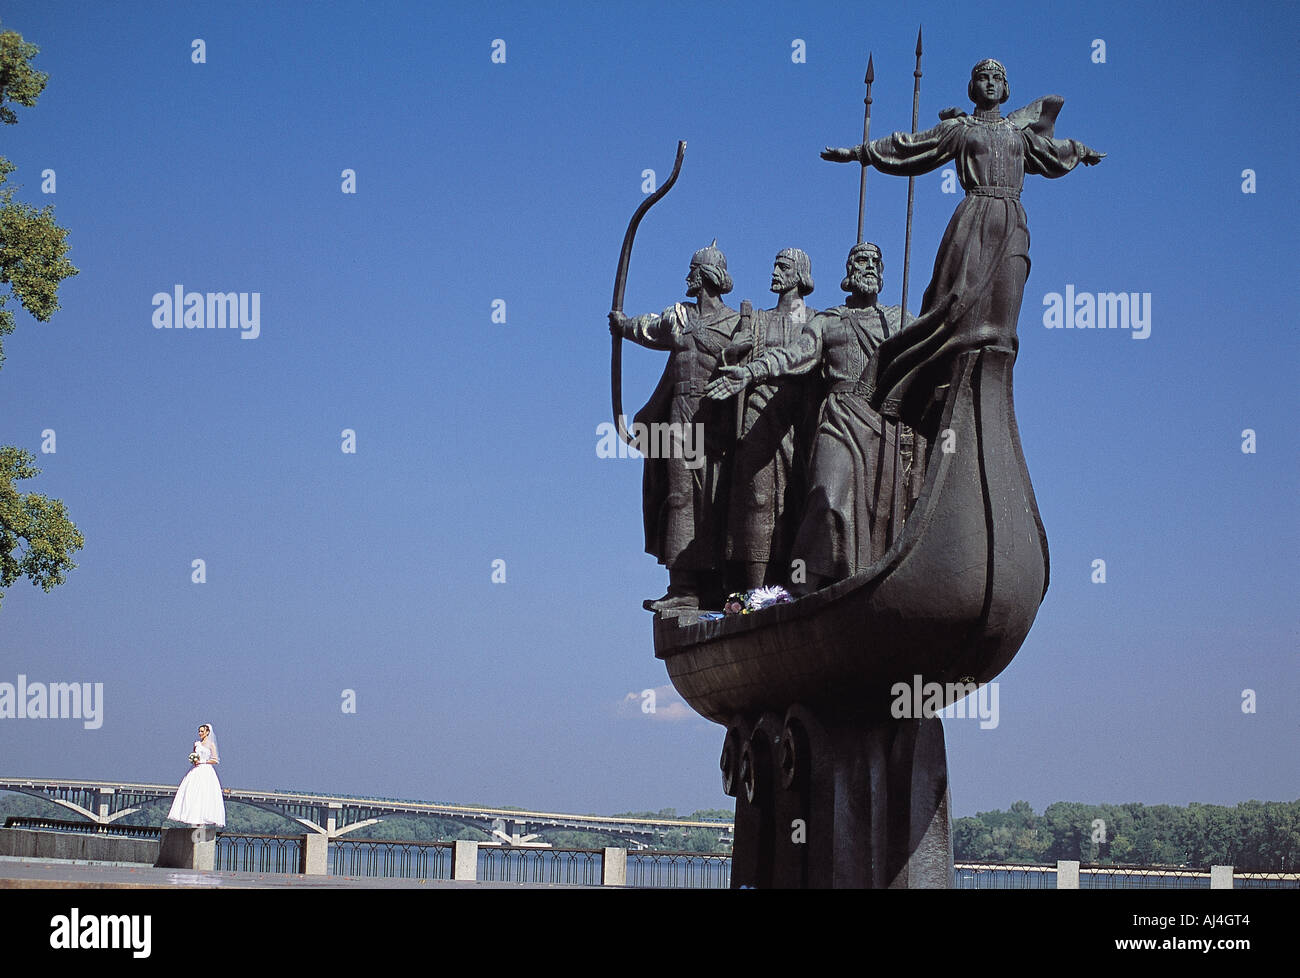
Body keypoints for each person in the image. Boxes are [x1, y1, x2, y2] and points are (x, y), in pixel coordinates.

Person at [822, 59, 1104, 435]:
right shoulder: (960, 129)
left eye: (997, 79)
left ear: (1006, 89)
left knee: (1002, 325)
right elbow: (910, 148)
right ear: (973, 88)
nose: (990, 83)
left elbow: (1053, 153)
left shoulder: (1019, 136)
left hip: (1013, 224)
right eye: (983, 78)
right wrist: (860, 153)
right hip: (974, 220)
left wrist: (1081, 151)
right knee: (954, 306)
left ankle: (989, 389)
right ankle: (913, 382)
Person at [609, 242, 742, 612]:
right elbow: (648, 328)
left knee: (714, 502)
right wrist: (623, 325)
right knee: (680, 498)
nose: (689, 277)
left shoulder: (737, 324)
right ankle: (682, 587)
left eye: (694, 271)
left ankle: (712, 585)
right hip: (681, 420)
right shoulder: (679, 318)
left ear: (705, 276)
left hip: (718, 421)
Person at [705, 249, 816, 591]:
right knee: (756, 498)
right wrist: (733, 351)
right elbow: (727, 362)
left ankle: (790, 587)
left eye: (782, 266)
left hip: (797, 419)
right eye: (775, 265)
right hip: (757, 412)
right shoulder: (756, 319)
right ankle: (755, 592)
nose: (774, 272)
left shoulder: (815, 320)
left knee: (794, 500)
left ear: (799, 274)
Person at [166, 722, 225, 827]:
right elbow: (194, 755)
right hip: (196, 770)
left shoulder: (211, 745)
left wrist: (203, 762)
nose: (200, 733)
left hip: (206, 770)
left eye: (202, 731)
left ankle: (203, 819)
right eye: (199, 731)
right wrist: (194, 760)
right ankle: (192, 817)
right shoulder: (196, 744)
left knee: (204, 793)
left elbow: (215, 760)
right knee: (192, 792)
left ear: (207, 732)